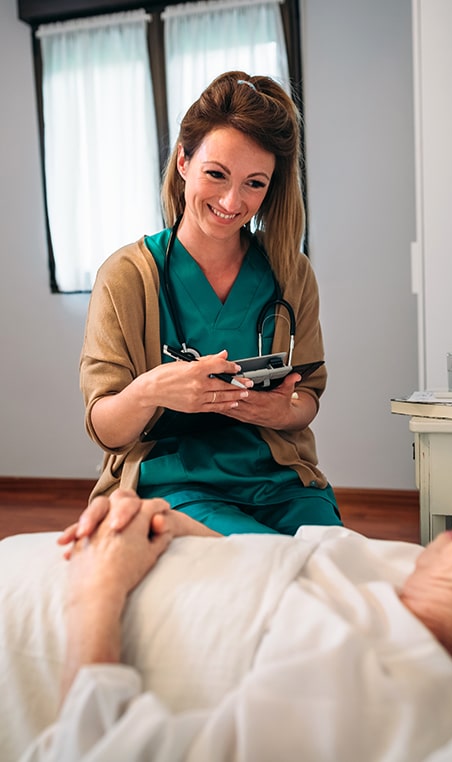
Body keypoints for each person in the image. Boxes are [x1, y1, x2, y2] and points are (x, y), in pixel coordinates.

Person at [16, 492, 452, 761]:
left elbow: (94, 753)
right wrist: (182, 530)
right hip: (132, 540)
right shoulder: (405, 563)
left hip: (59, 601)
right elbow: (290, 556)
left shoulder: (380, 703)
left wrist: (97, 588)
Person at [80, 70, 341, 536]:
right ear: (183, 162)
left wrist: (282, 412)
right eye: (216, 174)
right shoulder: (126, 277)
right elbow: (105, 427)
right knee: (268, 561)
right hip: (173, 483)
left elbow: (309, 394)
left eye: (254, 184)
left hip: (279, 482)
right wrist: (153, 389)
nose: (231, 200)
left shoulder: (289, 270)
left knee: (332, 555)